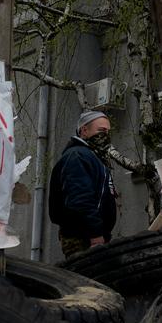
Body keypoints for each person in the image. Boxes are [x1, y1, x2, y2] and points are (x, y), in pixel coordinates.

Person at [49, 110, 117, 258]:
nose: (105, 136)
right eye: (101, 130)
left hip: (91, 236)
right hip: (84, 238)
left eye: (108, 132)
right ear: (84, 130)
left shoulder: (92, 157)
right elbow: (80, 198)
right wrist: (95, 234)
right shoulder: (78, 156)